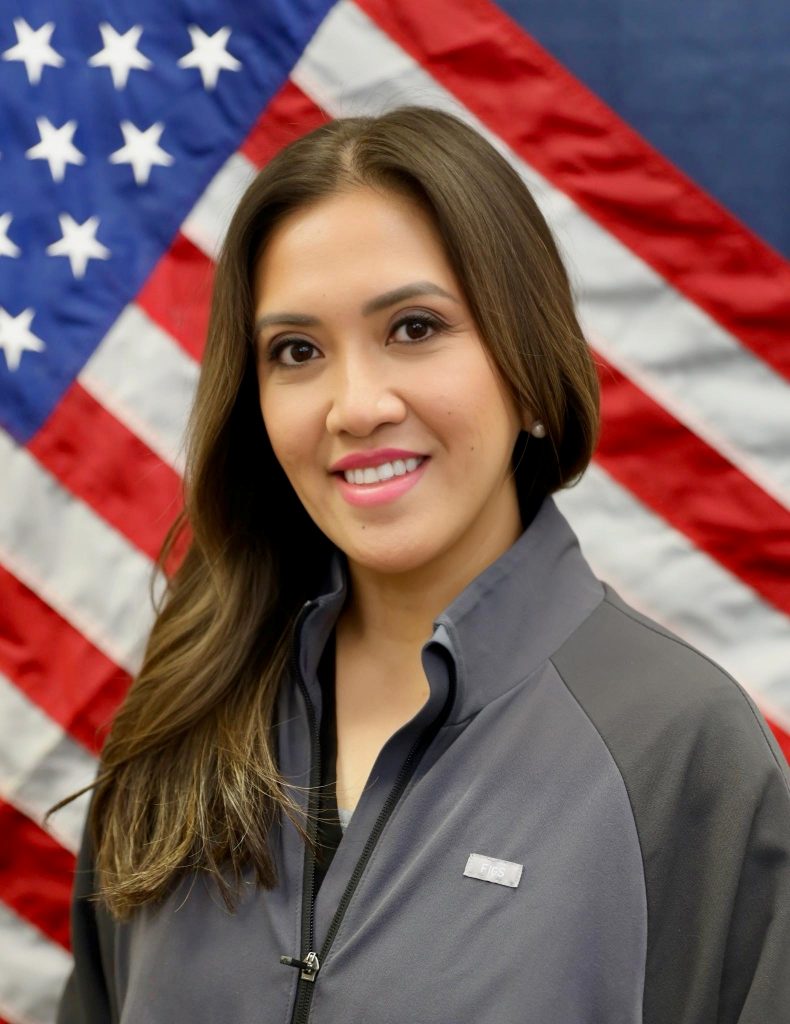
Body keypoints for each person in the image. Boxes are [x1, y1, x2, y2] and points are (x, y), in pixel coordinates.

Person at [54, 105, 790, 1024]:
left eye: (413, 328)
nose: (356, 406)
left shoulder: (684, 752)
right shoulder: (177, 718)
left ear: (528, 367)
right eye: (297, 351)